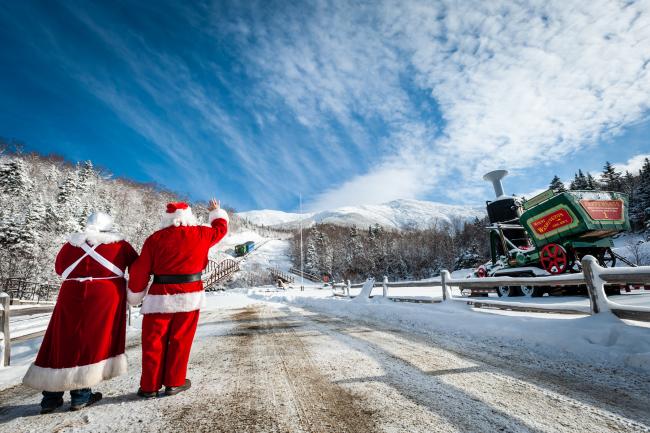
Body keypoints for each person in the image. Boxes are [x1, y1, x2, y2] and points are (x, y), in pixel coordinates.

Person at [23, 212, 138, 414]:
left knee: (59, 340)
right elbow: (137, 267)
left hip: (70, 294)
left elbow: (60, 269)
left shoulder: (71, 245)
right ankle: (81, 395)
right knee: (89, 341)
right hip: (104, 296)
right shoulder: (120, 245)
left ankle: (50, 397)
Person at [127, 199, 228, 398]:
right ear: (188, 216)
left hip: (160, 296)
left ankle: (149, 386)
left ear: (167, 219)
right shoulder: (201, 233)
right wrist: (216, 211)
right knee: (181, 340)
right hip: (190, 295)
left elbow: (140, 270)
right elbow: (220, 229)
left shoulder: (154, 239)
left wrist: (135, 293)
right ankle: (174, 382)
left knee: (153, 341)